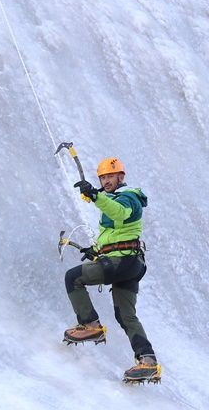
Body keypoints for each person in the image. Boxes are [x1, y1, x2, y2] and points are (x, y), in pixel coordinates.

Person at [62, 156, 160, 383]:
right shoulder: (114, 198)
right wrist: (95, 250)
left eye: (110, 176)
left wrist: (96, 196)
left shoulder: (129, 198)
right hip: (129, 261)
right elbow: (116, 235)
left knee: (73, 277)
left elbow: (119, 213)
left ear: (121, 177)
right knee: (125, 314)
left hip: (123, 261)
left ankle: (90, 324)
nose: (106, 181)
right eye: (103, 177)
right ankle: (148, 360)